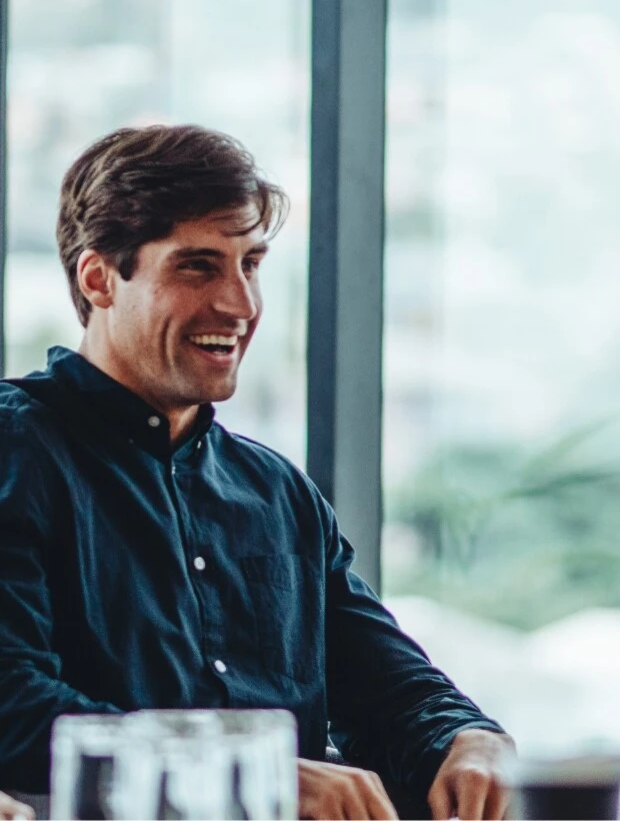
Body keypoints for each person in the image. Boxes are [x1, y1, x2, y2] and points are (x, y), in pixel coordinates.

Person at [0, 125, 513, 821]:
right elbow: (13, 708)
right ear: (99, 279)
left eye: (251, 264)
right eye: (198, 267)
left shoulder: (277, 492)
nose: (240, 305)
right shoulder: (17, 448)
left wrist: (466, 738)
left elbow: (390, 688)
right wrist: (250, 774)